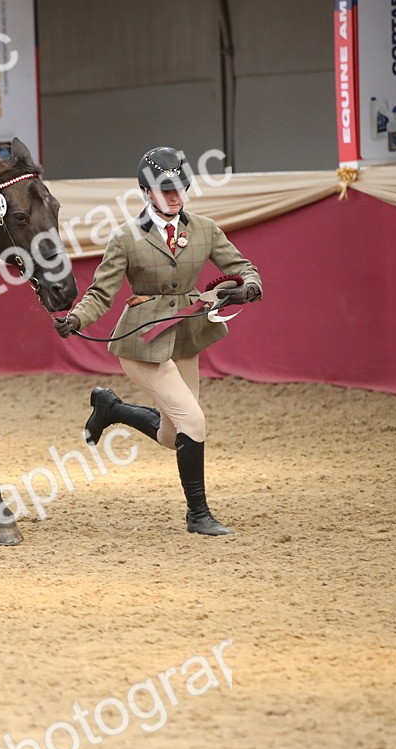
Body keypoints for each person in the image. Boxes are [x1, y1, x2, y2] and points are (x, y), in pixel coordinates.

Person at [53, 146, 262, 536]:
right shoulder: (125, 238)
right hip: (142, 345)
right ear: (146, 193)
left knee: (173, 435)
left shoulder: (204, 229)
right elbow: (101, 294)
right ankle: (198, 515)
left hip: (184, 337)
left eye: (180, 188)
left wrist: (249, 288)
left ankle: (111, 408)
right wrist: (76, 318)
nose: (175, 196)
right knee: (194, 421)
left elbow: (243, 267)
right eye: (165, 190)